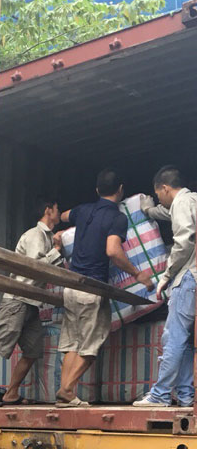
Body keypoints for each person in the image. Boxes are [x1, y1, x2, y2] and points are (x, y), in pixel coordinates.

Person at [56, 169, 154, 408]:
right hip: (92, 288)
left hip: (71, 287)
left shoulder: (83, 210)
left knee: (72, 344)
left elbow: (64, 215)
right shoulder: (117, 218)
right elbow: (113, 250)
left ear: (97, 190)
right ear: (120, 190)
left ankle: (65, 395)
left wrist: (63, 229)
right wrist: (138, 274)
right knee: (91, 345)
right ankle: (66, 390)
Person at [0, 197, 64, 407]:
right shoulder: (35, 235)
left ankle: (11, 393)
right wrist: (57, 250)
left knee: (33, 351)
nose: (59, 212)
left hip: (32, 303)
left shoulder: (47, 238)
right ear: (48, 210)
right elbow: (34, 267)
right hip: (17, 300)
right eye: (57, 208)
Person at [133, 166, 197, 408]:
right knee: (185, 341)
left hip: (187, 277)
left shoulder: (181, 203)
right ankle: (186, 395)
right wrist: (149, 210)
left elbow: (184, 241)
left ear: (165, 188)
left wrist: (166, 276)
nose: (159, 199)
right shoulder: (192, 200)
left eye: (158, 194)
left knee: (173, 337)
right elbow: (166, 212)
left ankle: (160, 394)